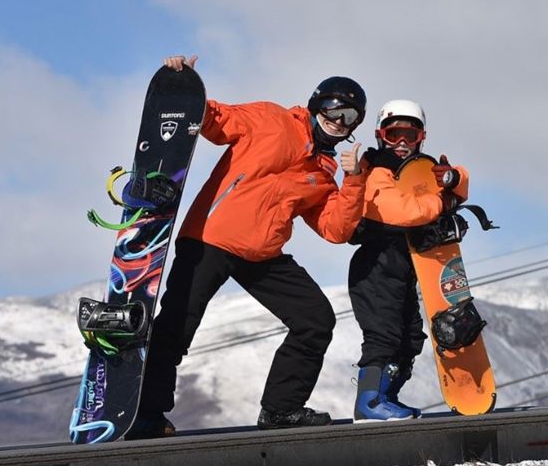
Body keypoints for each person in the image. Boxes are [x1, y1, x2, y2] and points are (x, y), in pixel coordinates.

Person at [125, 55, 369, 439]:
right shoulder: (271, 119)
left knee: (316, 319)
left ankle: (281, 411)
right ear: (316, 104)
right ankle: (146, 413)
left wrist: (354, 180)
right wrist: (183, 84)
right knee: (177, 325)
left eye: (350, 117)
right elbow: (214, 120)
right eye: (333, 108)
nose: (338, 121)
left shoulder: (323, 172)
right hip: (211, 238)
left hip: (262, 255)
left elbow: (335, 229)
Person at [346, 99, 468, 421]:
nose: (401, 142)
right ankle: (369, 402)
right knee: (383, 335)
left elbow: (458, 185)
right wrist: (441, 202)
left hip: (405, 268)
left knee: (411, 337)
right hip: (375, 267)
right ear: (379, 135)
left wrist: (453, 179)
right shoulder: (373, 170)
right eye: (393, 134)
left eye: (410, 136)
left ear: (421, 138)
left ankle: (386, 397)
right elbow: (403, 211)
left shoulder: (419, 171)